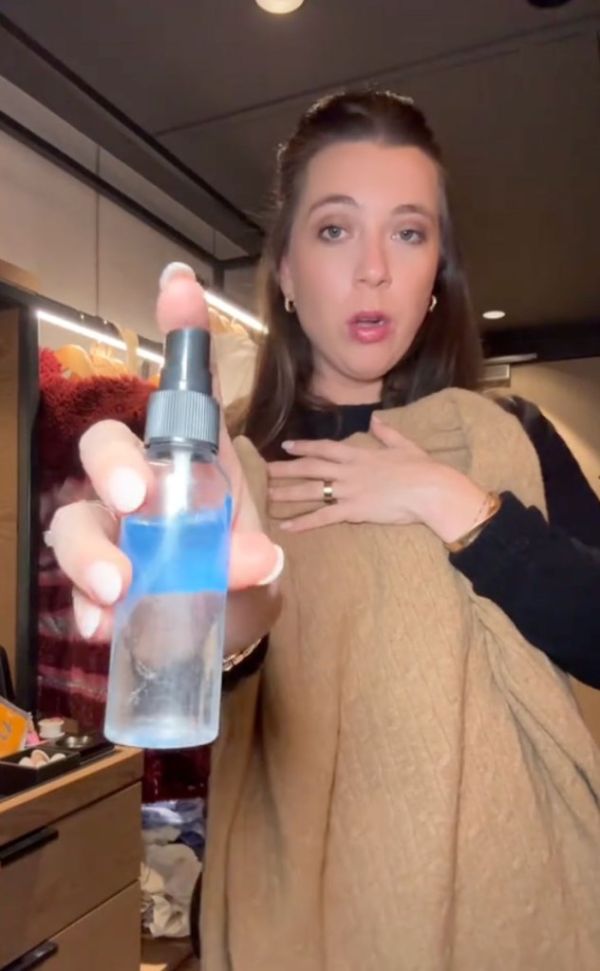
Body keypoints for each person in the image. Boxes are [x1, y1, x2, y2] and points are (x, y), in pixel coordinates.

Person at [47, 91, 600, 970]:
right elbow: (224, 660)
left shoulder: (511, 438)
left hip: (524, 924)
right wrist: (218, 617)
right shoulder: (225, 468)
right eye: (337, 230)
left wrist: (450, 500)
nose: (375, 268)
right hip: (288, 928)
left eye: (409, 233)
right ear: (290, 274)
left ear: (436, 278)